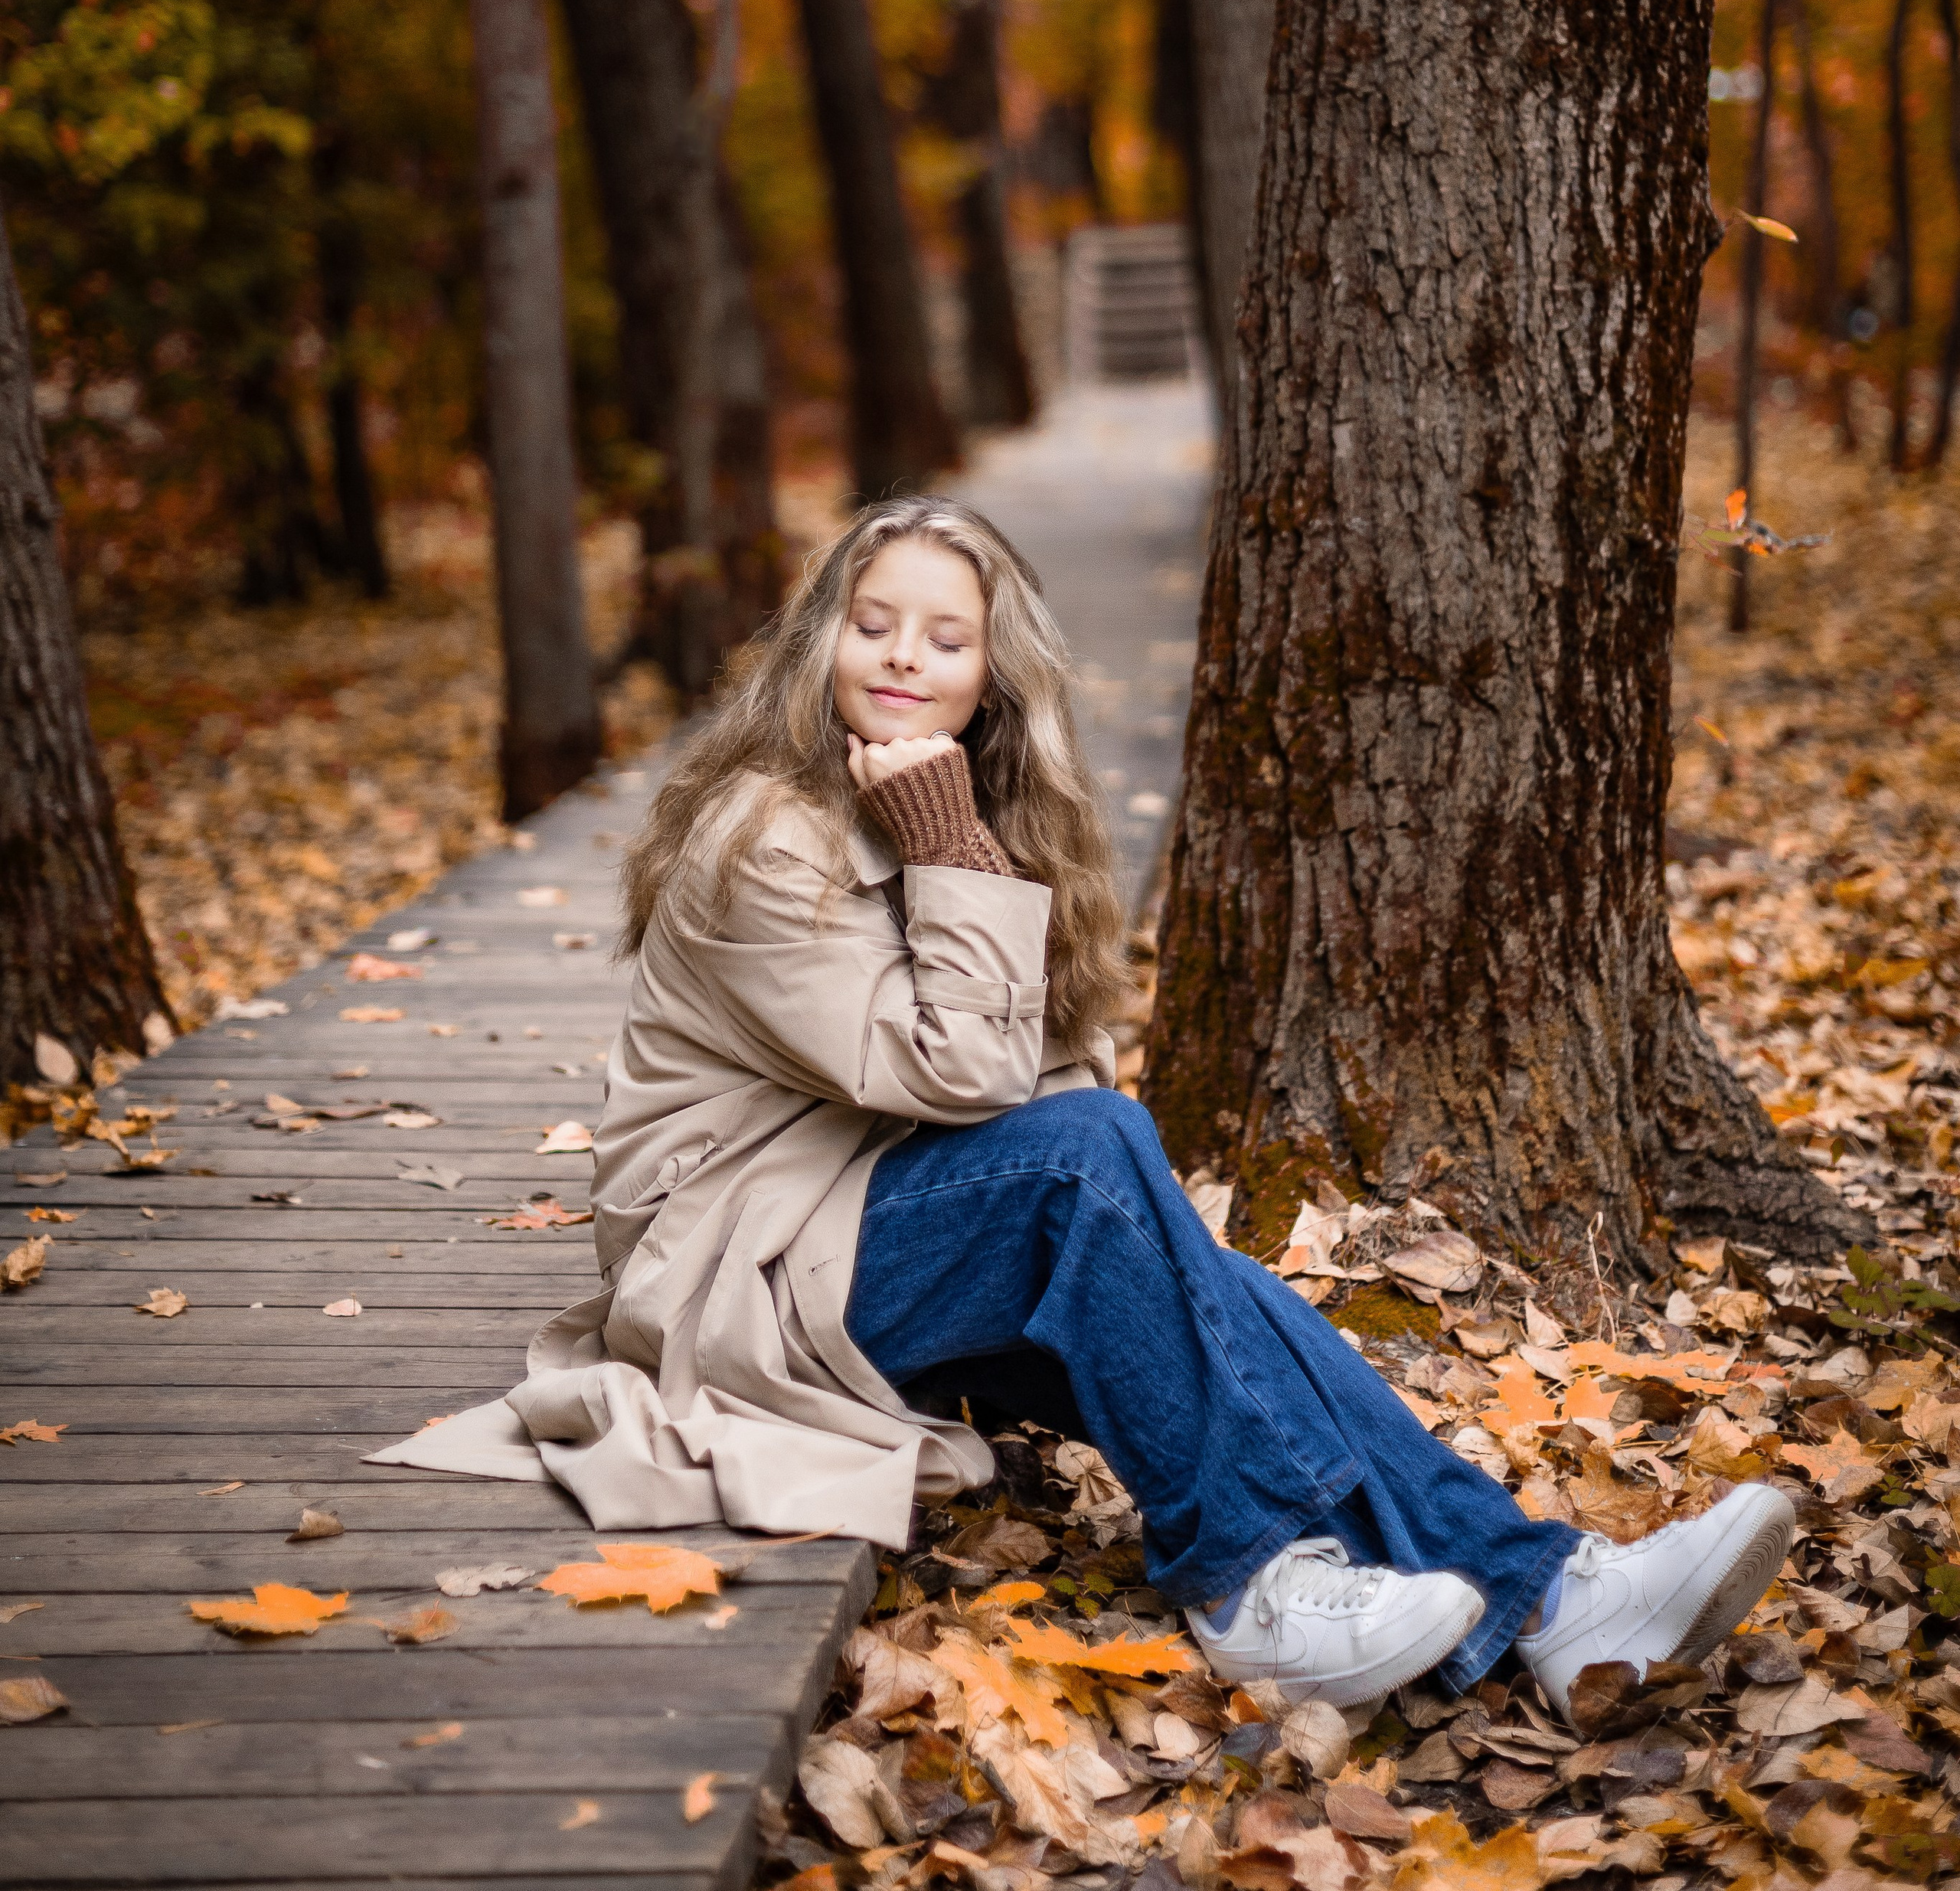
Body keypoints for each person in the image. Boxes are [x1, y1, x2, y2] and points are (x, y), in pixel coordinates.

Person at [375, 494, 1792, 1719]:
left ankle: (1552, 1600)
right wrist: (950, 846)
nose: (905, 659)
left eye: (946, 636)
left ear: (993, 674)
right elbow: (969, 1081)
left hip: (867, 1226)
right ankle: (1250, 1587)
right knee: (1102, 1164)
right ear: (823, 641)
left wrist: (960, 845)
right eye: (875, 624)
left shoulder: (960, 808)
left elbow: (1041, 1076)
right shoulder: (772, 838)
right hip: (745, 1268)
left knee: (1223, 1294)